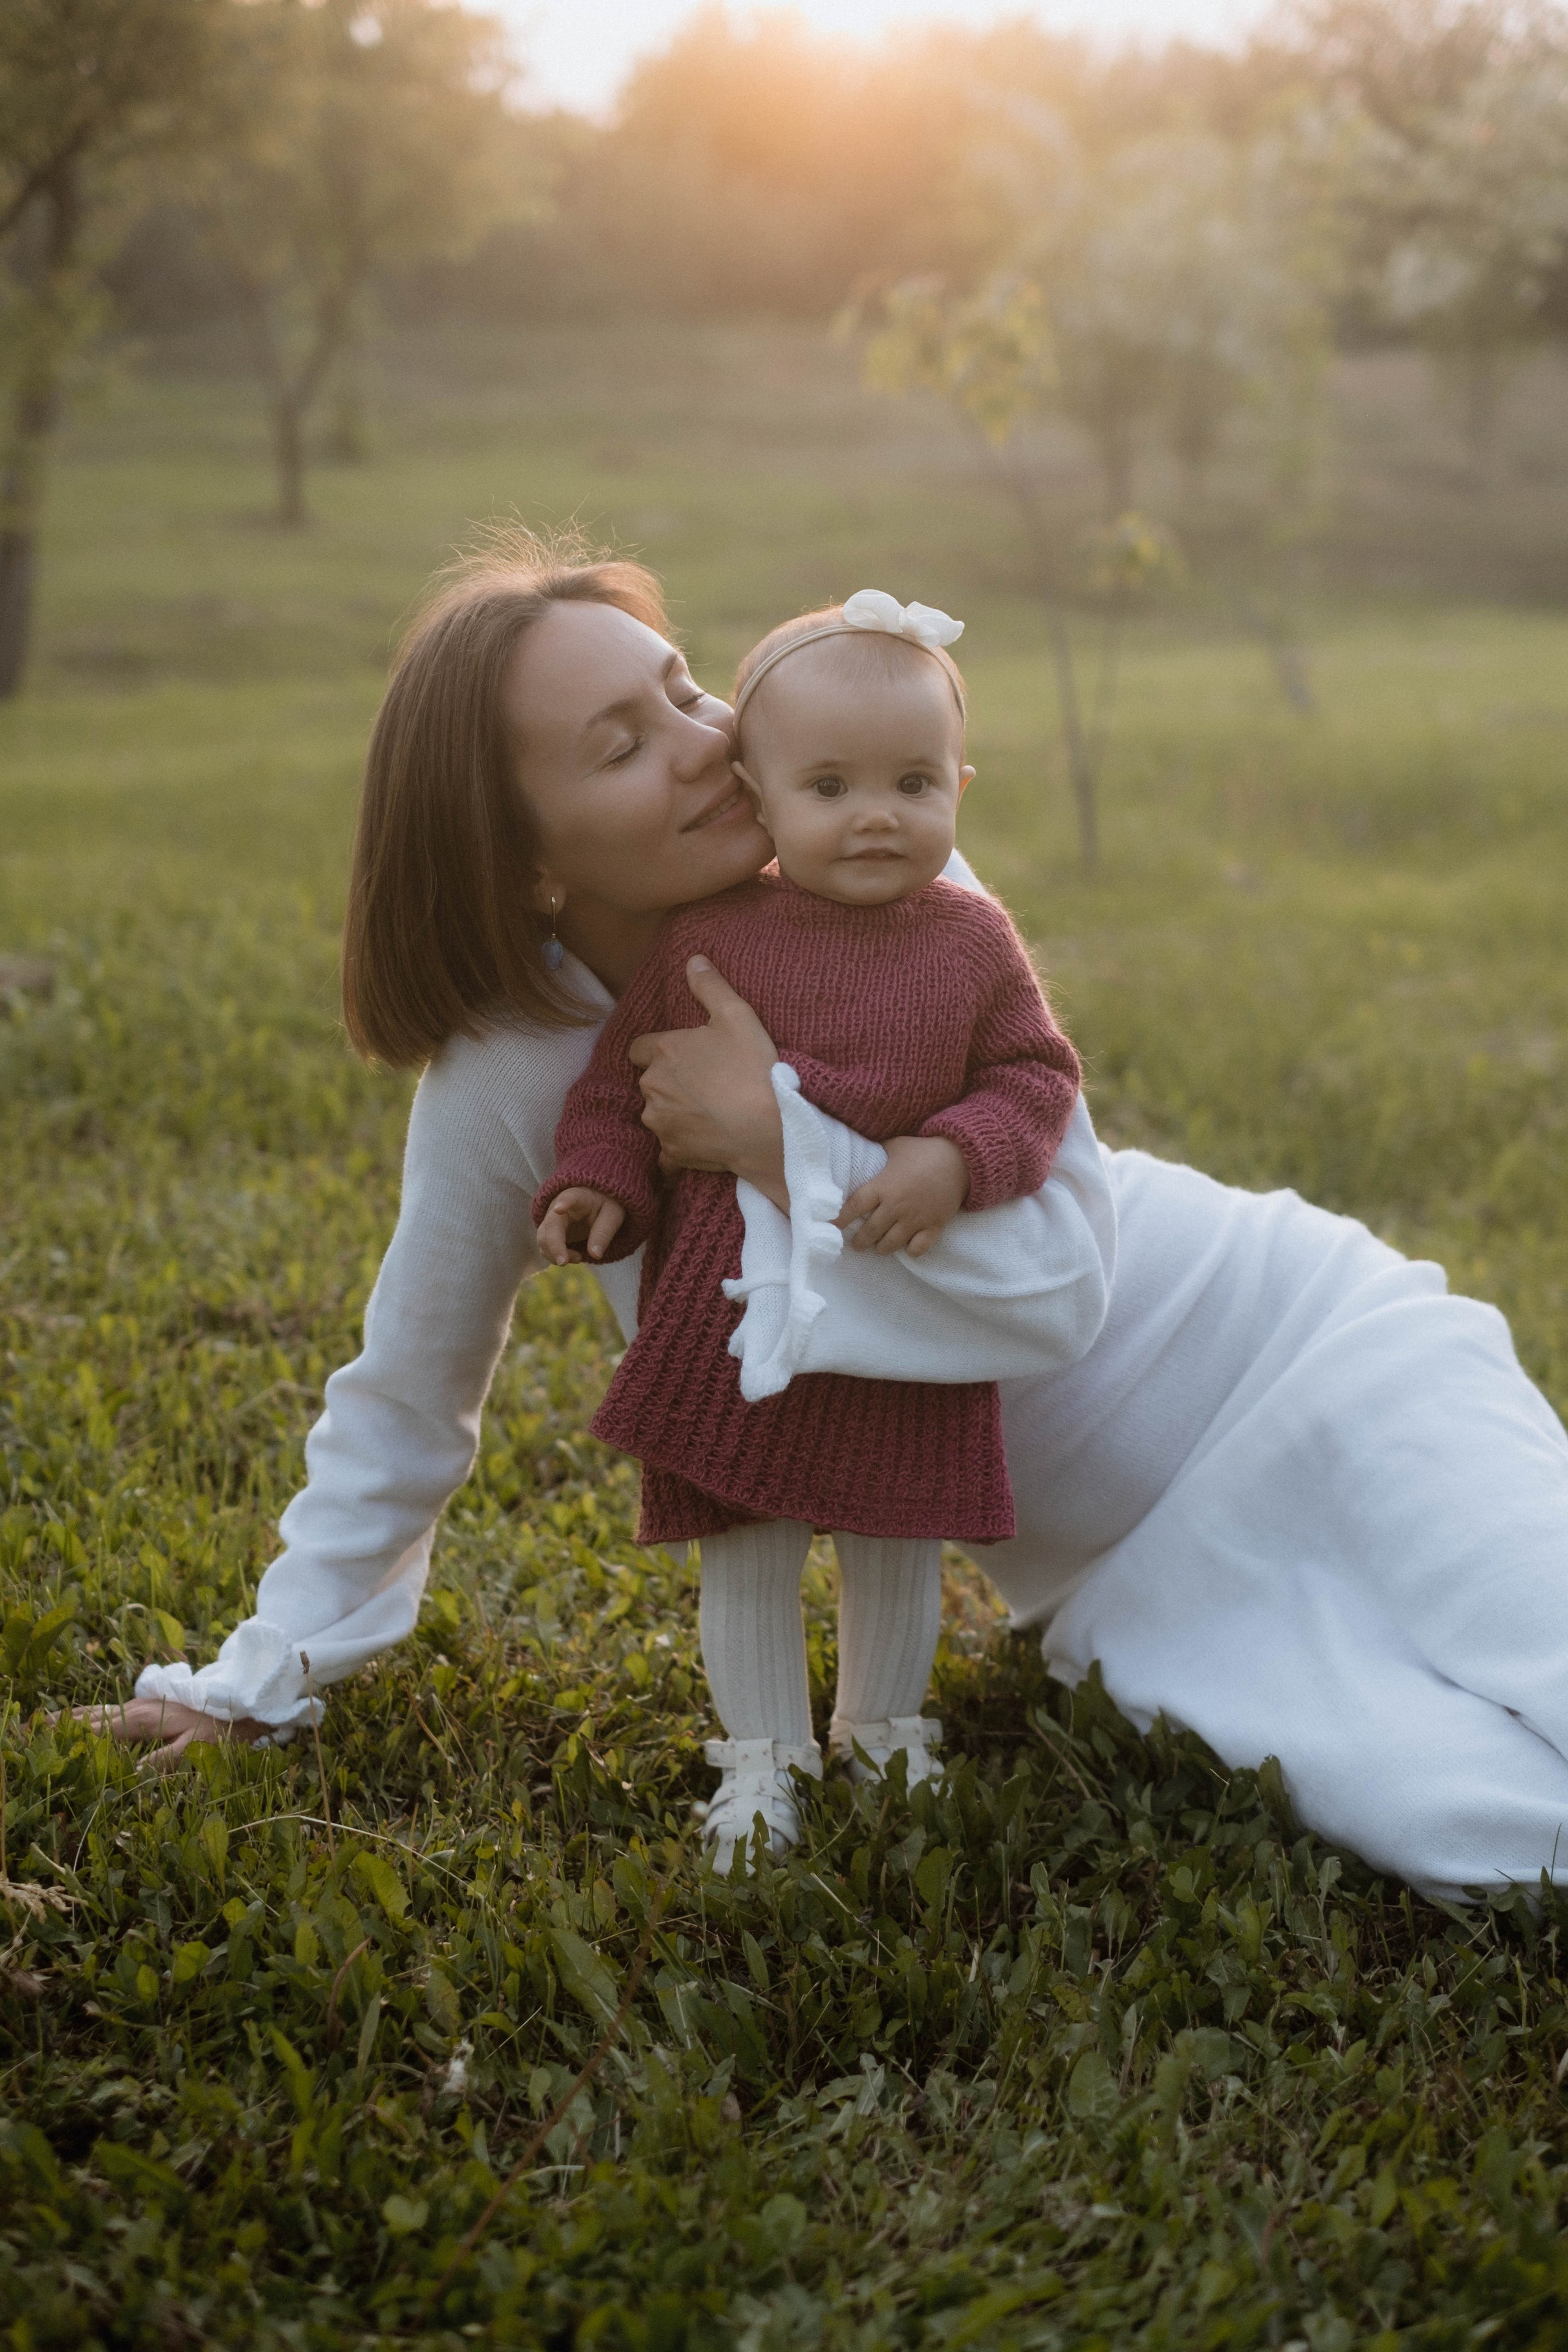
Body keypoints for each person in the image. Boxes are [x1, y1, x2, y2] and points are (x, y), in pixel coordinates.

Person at [96, 536, 1568, 1910]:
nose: (701, 737)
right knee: (1480, 1835)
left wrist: (766, 1138)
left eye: (681, 688)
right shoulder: (513, 1070)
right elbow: (405, 1402)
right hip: (1115, 1575)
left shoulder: (893, 876)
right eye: (620, 744)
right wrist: (255, 1675)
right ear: (527, 863)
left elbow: (1059, 1281)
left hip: (1304, 1352)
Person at [535, 590, 1080, 1867]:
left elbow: (1032, 1081)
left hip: (901, 1293)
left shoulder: (968, 941)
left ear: (958, 784)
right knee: (745, 1538)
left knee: (895, 1529)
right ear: (760, 801)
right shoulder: (712, 939)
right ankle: (761, 1759)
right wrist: (598, 1181)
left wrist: (954, 1155)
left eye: (911, 781)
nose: (874, 814)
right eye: (827, 786)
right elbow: (621, 1080)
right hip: (737, 1305)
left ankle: (884, 1732)